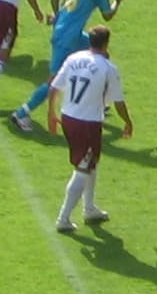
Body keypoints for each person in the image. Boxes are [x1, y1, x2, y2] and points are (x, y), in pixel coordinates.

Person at [12, 0, 123, 134]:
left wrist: (56, 13)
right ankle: (22, 112)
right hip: (68, 38)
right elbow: (107, 15)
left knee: (102, 54)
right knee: (54, 81)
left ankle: (98, 101)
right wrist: (117, 1)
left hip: (68, 33)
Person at [50, 27, 132, 234]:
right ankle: (63, 218)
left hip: (68, 117)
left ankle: (89, 208)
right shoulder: (108, 68)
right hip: (87, 123)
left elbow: (54, 87)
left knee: (90, 162)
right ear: (106, 44)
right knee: (83, 168)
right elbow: (118, 102)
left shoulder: (73, 58)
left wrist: (51, 113)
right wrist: (128, 122)